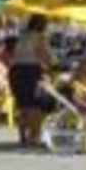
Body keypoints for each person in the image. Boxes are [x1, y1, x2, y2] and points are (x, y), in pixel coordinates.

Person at [8, 14, 55, 148]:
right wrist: (51, 66)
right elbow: (46, 56)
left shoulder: (21, 36)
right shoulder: (39, 38)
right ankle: (34, 137)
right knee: (35, 105)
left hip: (15, 71)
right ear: (42, 25)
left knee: (22, 105)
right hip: (30, 71)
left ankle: (23, 136)